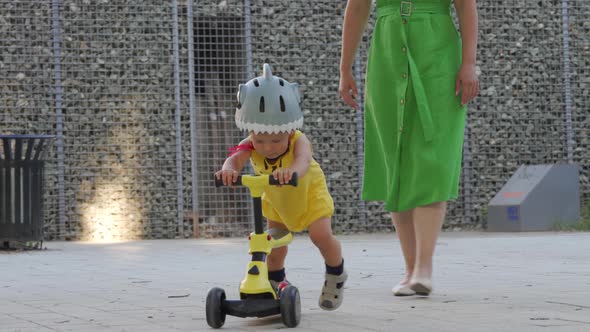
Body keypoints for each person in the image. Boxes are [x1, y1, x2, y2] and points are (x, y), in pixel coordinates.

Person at [339, 0, 479, 296]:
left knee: (432, 159)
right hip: (387, 56)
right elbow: (357, 7)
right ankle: (410, 268)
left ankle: (423, 268)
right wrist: (345, 68)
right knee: (395, 159)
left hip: (439, 56)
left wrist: (468, 63)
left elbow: (466, 6)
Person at [215, 63, 347, 310]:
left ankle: (336, 274)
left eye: (276, 139)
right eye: (260, 139)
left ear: (289, 128)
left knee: (321, 236)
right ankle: (276, 284)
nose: (267, 146)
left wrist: (292, 171)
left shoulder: (299, 140)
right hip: (277, 201)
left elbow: (303, 161)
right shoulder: (249, 144)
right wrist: (228, 170)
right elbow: (234, 157)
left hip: (308, 194)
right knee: (272, 246)